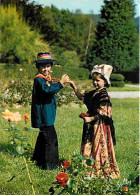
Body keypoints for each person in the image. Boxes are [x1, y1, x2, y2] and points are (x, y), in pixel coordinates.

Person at [69, 64, 120, 179]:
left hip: (99, 125)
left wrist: (90, 118)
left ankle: (99, 167)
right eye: (94, 80)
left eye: (98, 81)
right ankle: (88, 166)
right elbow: (82, 97)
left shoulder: (103, 95)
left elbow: (104, 112)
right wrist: (74, 88)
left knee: (98, 145)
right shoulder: (94, 93)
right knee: (89, 143)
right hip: (91, 124)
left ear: (105, 82)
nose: (95, 83)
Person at [31, 52, 70, 170]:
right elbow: (48, 91)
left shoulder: (46, 79)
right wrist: (61, 83)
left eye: (48, 66)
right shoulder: (39, 80)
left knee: (43, 136)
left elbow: (50, 90)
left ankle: (37, 159)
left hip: (47, 114)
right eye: (43, 66)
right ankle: (51, 165)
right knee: (51, 139)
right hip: (44, 114)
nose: (46, 69)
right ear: (38, 67)